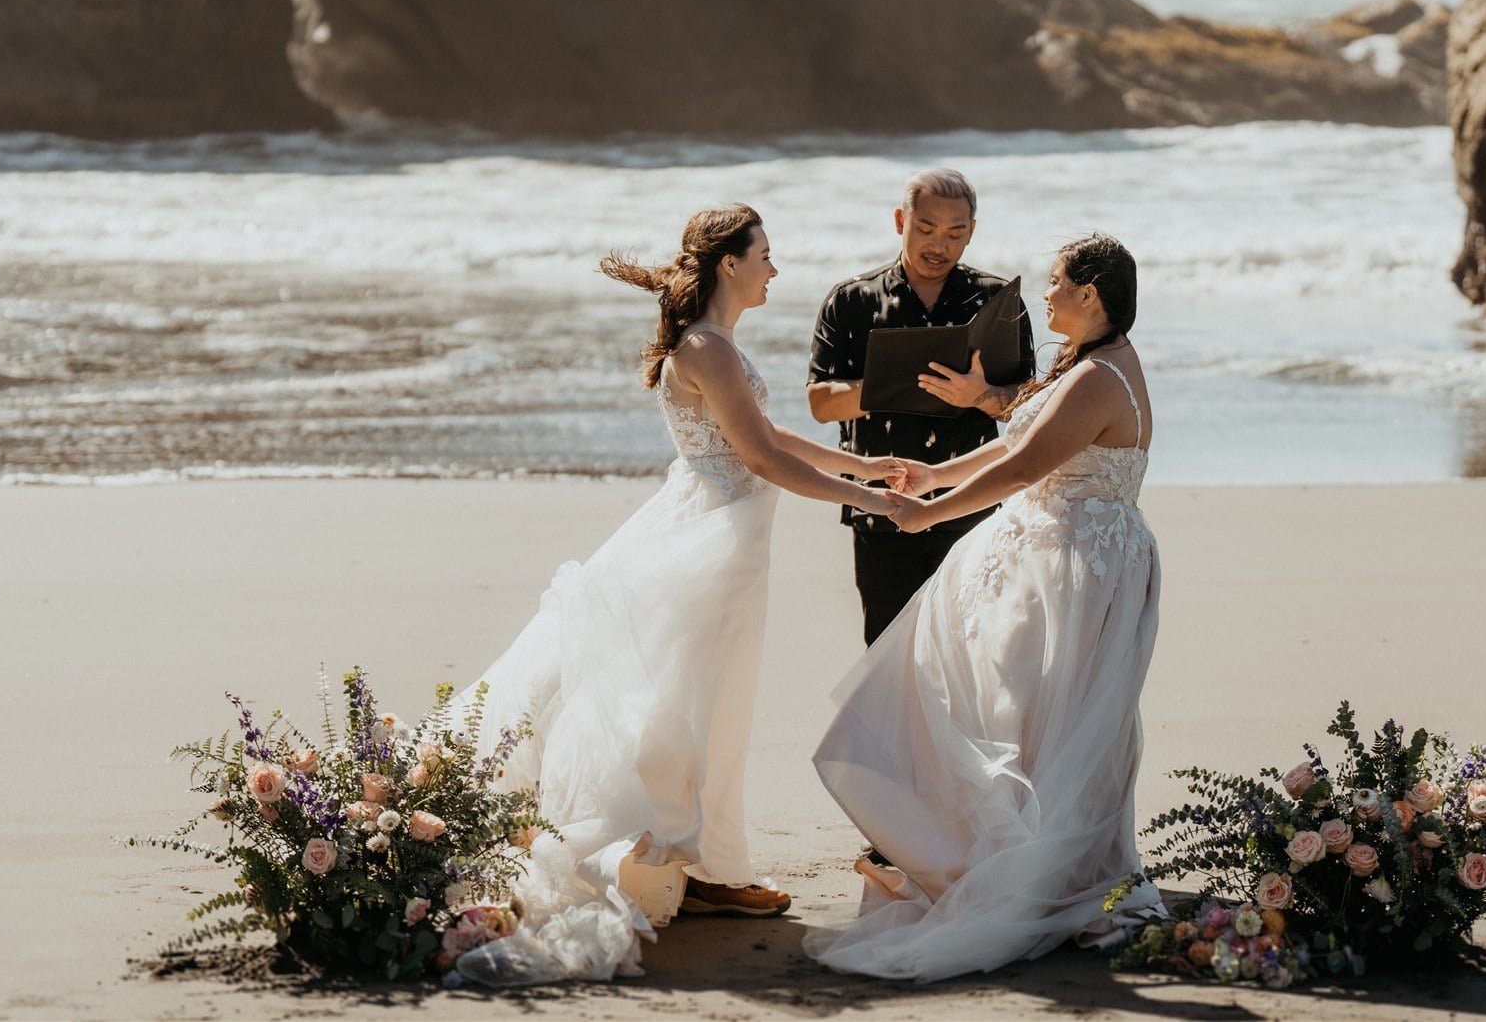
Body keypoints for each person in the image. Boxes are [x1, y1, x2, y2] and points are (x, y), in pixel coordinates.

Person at [455, 205, 898, 986]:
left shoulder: (714, 343)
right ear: (730, 262)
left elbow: (765, 432)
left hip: (720, 533)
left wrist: (865, 468)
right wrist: (875, 499)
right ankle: (681, 863)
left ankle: (711, 867)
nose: (774, 267)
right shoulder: (705, 346)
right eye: (765, 253)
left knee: (717, 702)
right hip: (710, 541)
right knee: (688, 701)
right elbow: (759, 455)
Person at [807, 234, 1166, 981]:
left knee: (1044, 719)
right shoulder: (1083, 364)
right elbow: (1012, 447)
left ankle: (1043, 875)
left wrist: (925, 515)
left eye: (1060, 283)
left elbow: (1023, 467)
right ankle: (1005, 860)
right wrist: (933, 475)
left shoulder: (1100, 377)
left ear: (1092, 295)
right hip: (1056, 556)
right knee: (1024, 714)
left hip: (1076, 567)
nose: (1047, 294)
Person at [807, 169, 1034, 646]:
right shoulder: (850, 301)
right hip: (883, 506)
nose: (940, 245)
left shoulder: (996, 301)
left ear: (973, 230)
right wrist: (892, 382)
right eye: (926, 228)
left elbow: (1030, 409)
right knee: (888, 653)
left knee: (974, 654)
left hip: (975, 505)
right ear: (899, 221)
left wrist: (980, 397)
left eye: (955, 233)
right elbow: (820, 404)